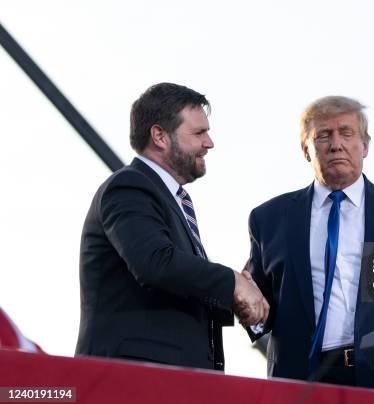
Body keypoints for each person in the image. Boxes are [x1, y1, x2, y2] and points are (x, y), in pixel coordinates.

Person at [245, 96, 374, 391]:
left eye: (346, 133)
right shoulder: (270, 218)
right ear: (306, 150)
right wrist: (248, 308)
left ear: (364, 146)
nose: (336, 144)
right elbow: (258, 300)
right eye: (323, 136)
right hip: (299, 381)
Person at [76, 82, 267, 370]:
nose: (209, 143)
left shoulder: (170, 197)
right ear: (160, 136)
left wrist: (239, 300)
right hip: (130, 379)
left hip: (170, 379)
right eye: (199, 133)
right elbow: (155, 263)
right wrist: (233, 283)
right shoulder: (129, 187)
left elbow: (179, 285)